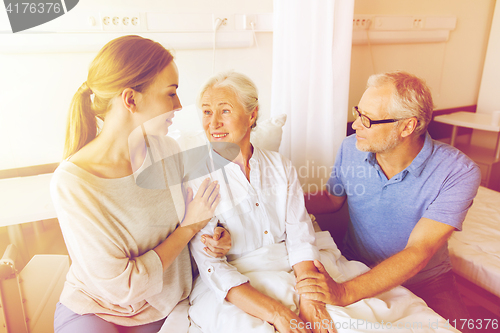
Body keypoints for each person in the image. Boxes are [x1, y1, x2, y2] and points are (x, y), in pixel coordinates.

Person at [50, 35, 229, 333]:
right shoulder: (73, 185)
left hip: (163, 306)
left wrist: (217, 237)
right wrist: (189, 228)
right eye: (170, 93)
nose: (180, 105)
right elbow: (123, 287)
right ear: (131, 99)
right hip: (96, 309)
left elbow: (196, 222)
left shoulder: (167, 152)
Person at [298, 71, 481, 331]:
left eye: (367, 119)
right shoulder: (351, 148)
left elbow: (419, 251)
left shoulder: (458, 172)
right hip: (355, 266)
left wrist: (345, 293)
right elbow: (331, 199)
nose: (355, 125)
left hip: (427, 281)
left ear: (407, 126)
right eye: (357, 113)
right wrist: (282, 199)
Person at [185, 71, 335, 333]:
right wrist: (277, 313)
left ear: (252, 114)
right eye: (207, 112)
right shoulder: (197, 177)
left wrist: (310, 299)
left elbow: (300, 237)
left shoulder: (280, 166)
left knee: (343, 322)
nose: (214, 123)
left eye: (225, 111)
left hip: (292, 269)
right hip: (235, 285)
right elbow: (211, 266)